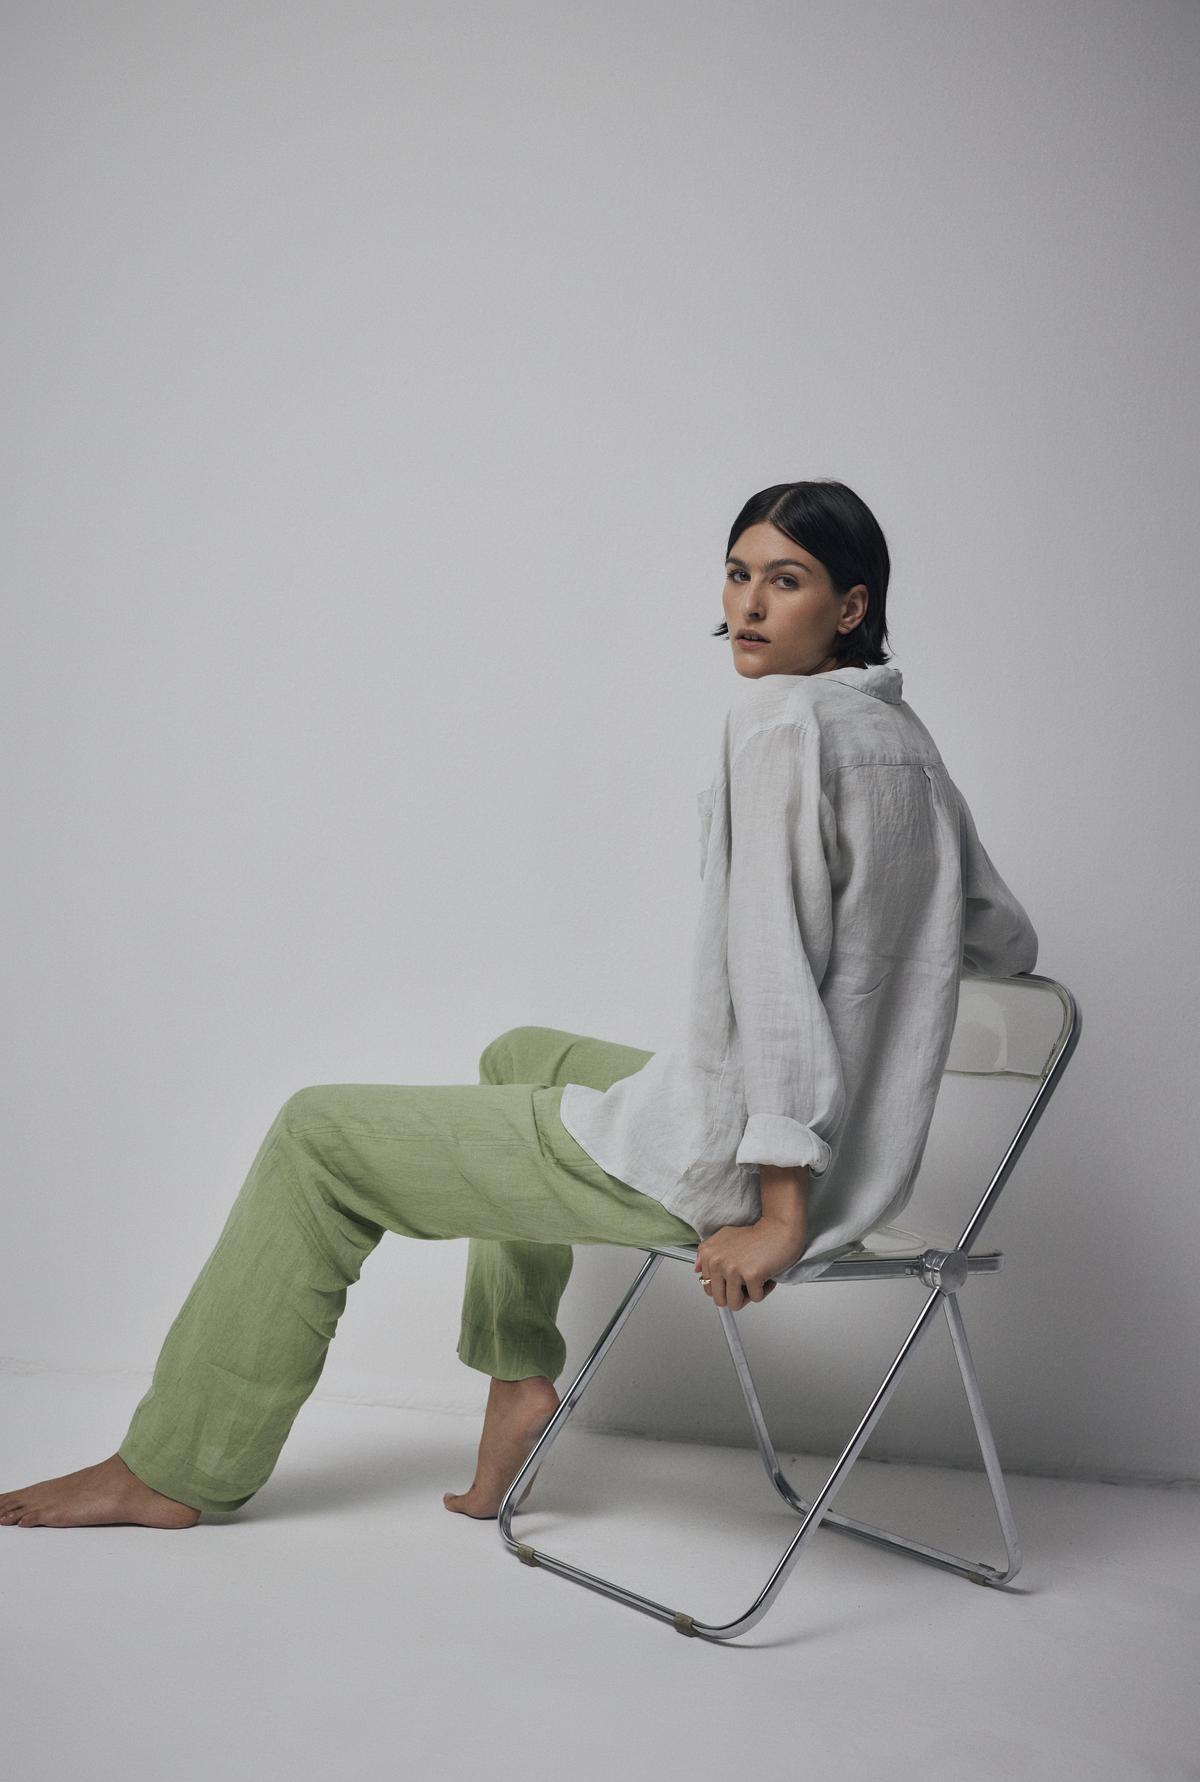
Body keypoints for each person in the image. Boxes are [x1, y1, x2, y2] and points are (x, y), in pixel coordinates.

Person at [0, 478, 1038, 1530]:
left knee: (314, 1133)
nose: (751, 606)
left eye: (788, 580)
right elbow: (1005, 936)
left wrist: (777, 1214)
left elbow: (772, 984)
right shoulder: (904, 740)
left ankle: (176, 1467)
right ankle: (516, 1381)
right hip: (856, 1152)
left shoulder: (779, 728)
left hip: (748, 1165)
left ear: (850, 607)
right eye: (738, 575)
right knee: (521, 1052)